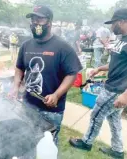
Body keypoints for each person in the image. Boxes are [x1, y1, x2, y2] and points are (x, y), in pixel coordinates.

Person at [8, 5, 82, 146]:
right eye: (33, 19)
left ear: (49, 22)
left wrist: (57, 94)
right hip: (28, 105)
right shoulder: (26, 46)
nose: (35, 23)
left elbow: (72, 73)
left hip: (52, 111)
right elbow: (19, 68)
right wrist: (15, 86)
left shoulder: (63, 47)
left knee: (48, 146)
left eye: (40, 19)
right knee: (27, 140)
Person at [69, 8, 127, 159]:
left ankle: (86, 143)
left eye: (113, 23)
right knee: (114, 121)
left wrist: (126, 95)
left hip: (116, 90)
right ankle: (118, 150)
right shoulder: (121, 40)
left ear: (121, 21)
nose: (111, 26)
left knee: (96, 115)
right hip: (115, 87)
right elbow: (116, 63)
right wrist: (99, 69)